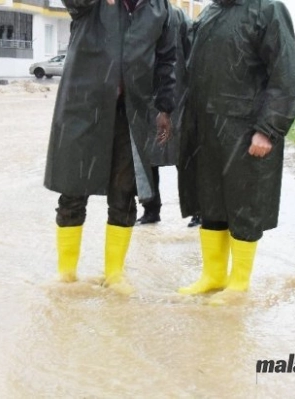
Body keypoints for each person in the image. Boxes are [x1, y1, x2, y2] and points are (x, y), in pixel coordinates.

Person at [44, 0, 176, 289]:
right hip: (82, 107)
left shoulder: (159, 8)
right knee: (72, 190)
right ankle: (66, 274)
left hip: (131, 112)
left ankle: (114, 274)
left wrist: (165, 107)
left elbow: (168, 59)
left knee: (124, 194)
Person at [177, 0, 295, 303]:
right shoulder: (210, 12)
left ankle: (239, 284)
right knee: (210, 202)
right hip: (206, 127)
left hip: (246, 128)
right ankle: (213, 275)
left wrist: (269, 128)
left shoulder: (267, 9)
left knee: (244, 204)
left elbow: (285, 75)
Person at [136, 5, 197, 228]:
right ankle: (151, 209)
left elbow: (193, 54)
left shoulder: (178, 16)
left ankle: (196, 209)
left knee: (183, 155)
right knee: (147, 158)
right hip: (146, 98)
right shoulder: (137, 15)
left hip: (177, 95)